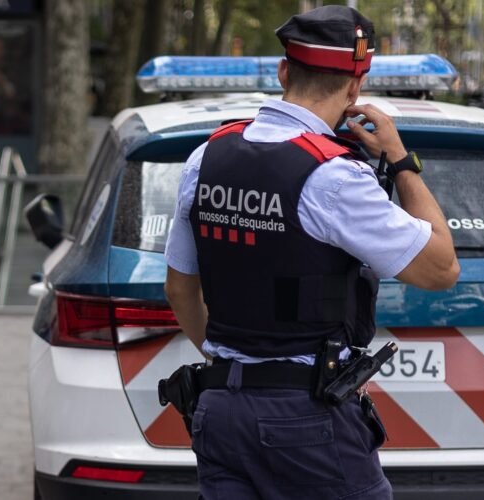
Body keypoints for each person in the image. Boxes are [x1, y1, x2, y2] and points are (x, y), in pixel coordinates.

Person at [163, 5, 459, 499]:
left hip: (220, 413)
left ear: (284, 71)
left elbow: (179, 289)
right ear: (355, 87)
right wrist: (401, 162)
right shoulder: (334, 175)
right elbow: (441, 268)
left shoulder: (206, 156)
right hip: (305, 424)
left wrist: (236, 371)